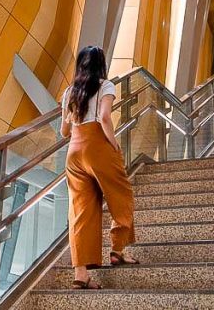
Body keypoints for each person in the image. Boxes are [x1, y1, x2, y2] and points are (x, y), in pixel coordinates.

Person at [60, 45, 138, 290]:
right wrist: (113, 143)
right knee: (121, 195)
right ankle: (117, 250)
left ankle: (81, 273)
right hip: (97, 145)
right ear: (101, 64)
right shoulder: (105, 85)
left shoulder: (69, 91)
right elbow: (105, 117)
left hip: (74, 150)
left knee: (81, 210)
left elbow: (64, 130)